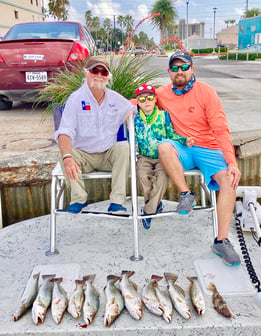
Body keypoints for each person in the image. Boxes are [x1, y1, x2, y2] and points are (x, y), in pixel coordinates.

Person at [156, 51, 241, 266]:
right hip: (183, 148)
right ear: (169, 72)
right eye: (174, 68)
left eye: (184, 67)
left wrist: (231, 162)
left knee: (229, 181)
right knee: (164, 147)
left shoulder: (206, 92)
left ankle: (221, 240)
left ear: (192, 69)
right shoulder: (163, 93)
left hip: (209, 149)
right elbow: (140, 100)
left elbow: (221, 129)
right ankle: (186, 194)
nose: (179, 72)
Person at [54, 55, 135, 214]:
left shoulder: (115, 98)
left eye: (103, 72)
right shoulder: (76, 99)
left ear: (108, 76)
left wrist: (134, 108)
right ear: (86, 73)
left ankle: (117, 201)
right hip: (84, 157)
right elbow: (65, 132)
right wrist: (67, 157)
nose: (99, 75)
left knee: (124, 147)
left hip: (107, 155)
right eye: (94, 70)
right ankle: (79, 199)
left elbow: (134, 109)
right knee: (65, 155)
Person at [134, 83, 194, 230]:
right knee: (142, 176)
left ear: (155, 99)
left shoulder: (163, 115)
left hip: (162, 157)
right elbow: (132, 138)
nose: (146, 102)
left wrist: (183, 140)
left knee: (161, 178)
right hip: (144, 157)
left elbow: (172, 134)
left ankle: (148, 211)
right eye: (142, 100)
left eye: (149, 98)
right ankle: (156, 205)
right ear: (138, 103)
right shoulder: (135, 119)